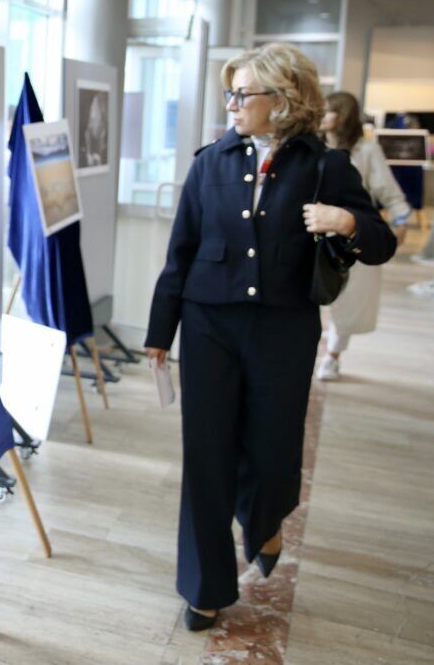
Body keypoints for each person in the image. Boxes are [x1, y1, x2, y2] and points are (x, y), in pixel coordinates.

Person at [145, 43, 396, 631]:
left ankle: (264, 517)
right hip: (209, 325)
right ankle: (203, 586)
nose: (231, 104)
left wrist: (347, 221)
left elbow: (381, 243)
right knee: (206, 456)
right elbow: (179, 253)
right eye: (229, 94)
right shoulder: (210, 162)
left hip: (284, 327)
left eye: (243, 94)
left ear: (283, 100)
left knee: (272, 445)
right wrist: (162, 331)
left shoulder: (325, 166)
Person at [318, 91, 412, 380]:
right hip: (317, 235)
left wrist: (401, 219)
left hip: (352, 234)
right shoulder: (312, 148)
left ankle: (332, 355)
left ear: (342, 116)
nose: (323, 115)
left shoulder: (366, 151)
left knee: (348, 301)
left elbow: (387, 189)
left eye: (329, 111)